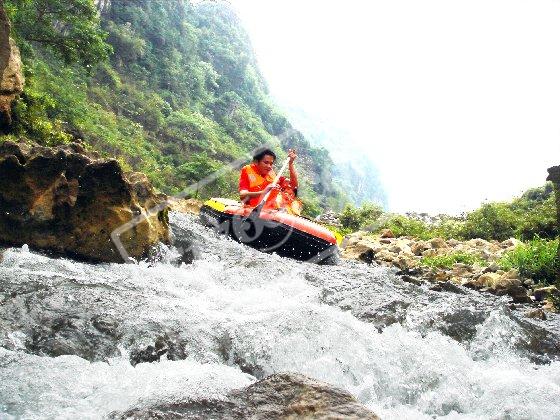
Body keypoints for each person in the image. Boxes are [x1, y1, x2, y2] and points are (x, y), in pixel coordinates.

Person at [238, 148, 301, 214]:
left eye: (271, 164)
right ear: (256, 162)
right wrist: (263, 192)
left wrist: (290, 163)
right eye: (266, 162)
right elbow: (242, 195)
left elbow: (294, 184)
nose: (269, 166)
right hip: (252, 210)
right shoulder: (247, 170)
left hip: (270, 212)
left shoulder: (272, 174)